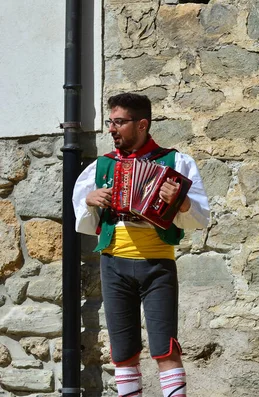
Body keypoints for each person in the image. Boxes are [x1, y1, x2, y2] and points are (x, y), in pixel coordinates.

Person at [73, 93, 210, 397]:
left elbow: (200, 217)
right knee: (123, 352)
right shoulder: (101, 166)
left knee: (166, 347)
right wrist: (89, 200)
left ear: (142, 124)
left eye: (119, 122)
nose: (112, 128)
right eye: (111, 121)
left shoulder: (175, 162)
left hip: (157, 264)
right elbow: (82, 215)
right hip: (113, 265)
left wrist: (181, 202)